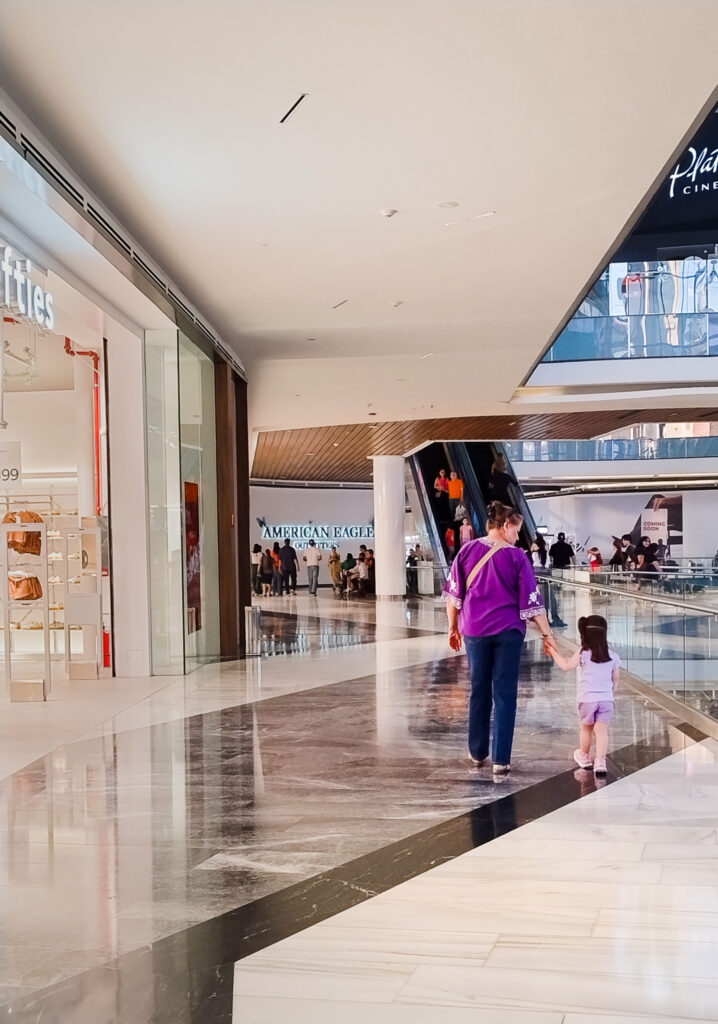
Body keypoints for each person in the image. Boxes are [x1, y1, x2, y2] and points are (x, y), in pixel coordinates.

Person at [444, 500, 552, 778]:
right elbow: (531, 601)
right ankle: (501, 759)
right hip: (508, 632)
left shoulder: (466, 551)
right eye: (516, 531)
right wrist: (547, 633)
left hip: (475, 631)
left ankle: (477, 752)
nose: (518, 538)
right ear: (505, 526)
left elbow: (454, 595)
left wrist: (452, 627)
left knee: (478, 688)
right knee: (505, 692)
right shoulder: (517, 557)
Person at [544, 614, 620, 776]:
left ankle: (585, 757)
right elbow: (615, 679)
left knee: (586, 729)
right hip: (606, 699)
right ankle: (600, 762)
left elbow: (565, 665)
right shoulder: (612, 655)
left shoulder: (583, 653)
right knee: (602, 731)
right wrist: (610, 693)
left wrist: (553, 652)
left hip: (587, 699)